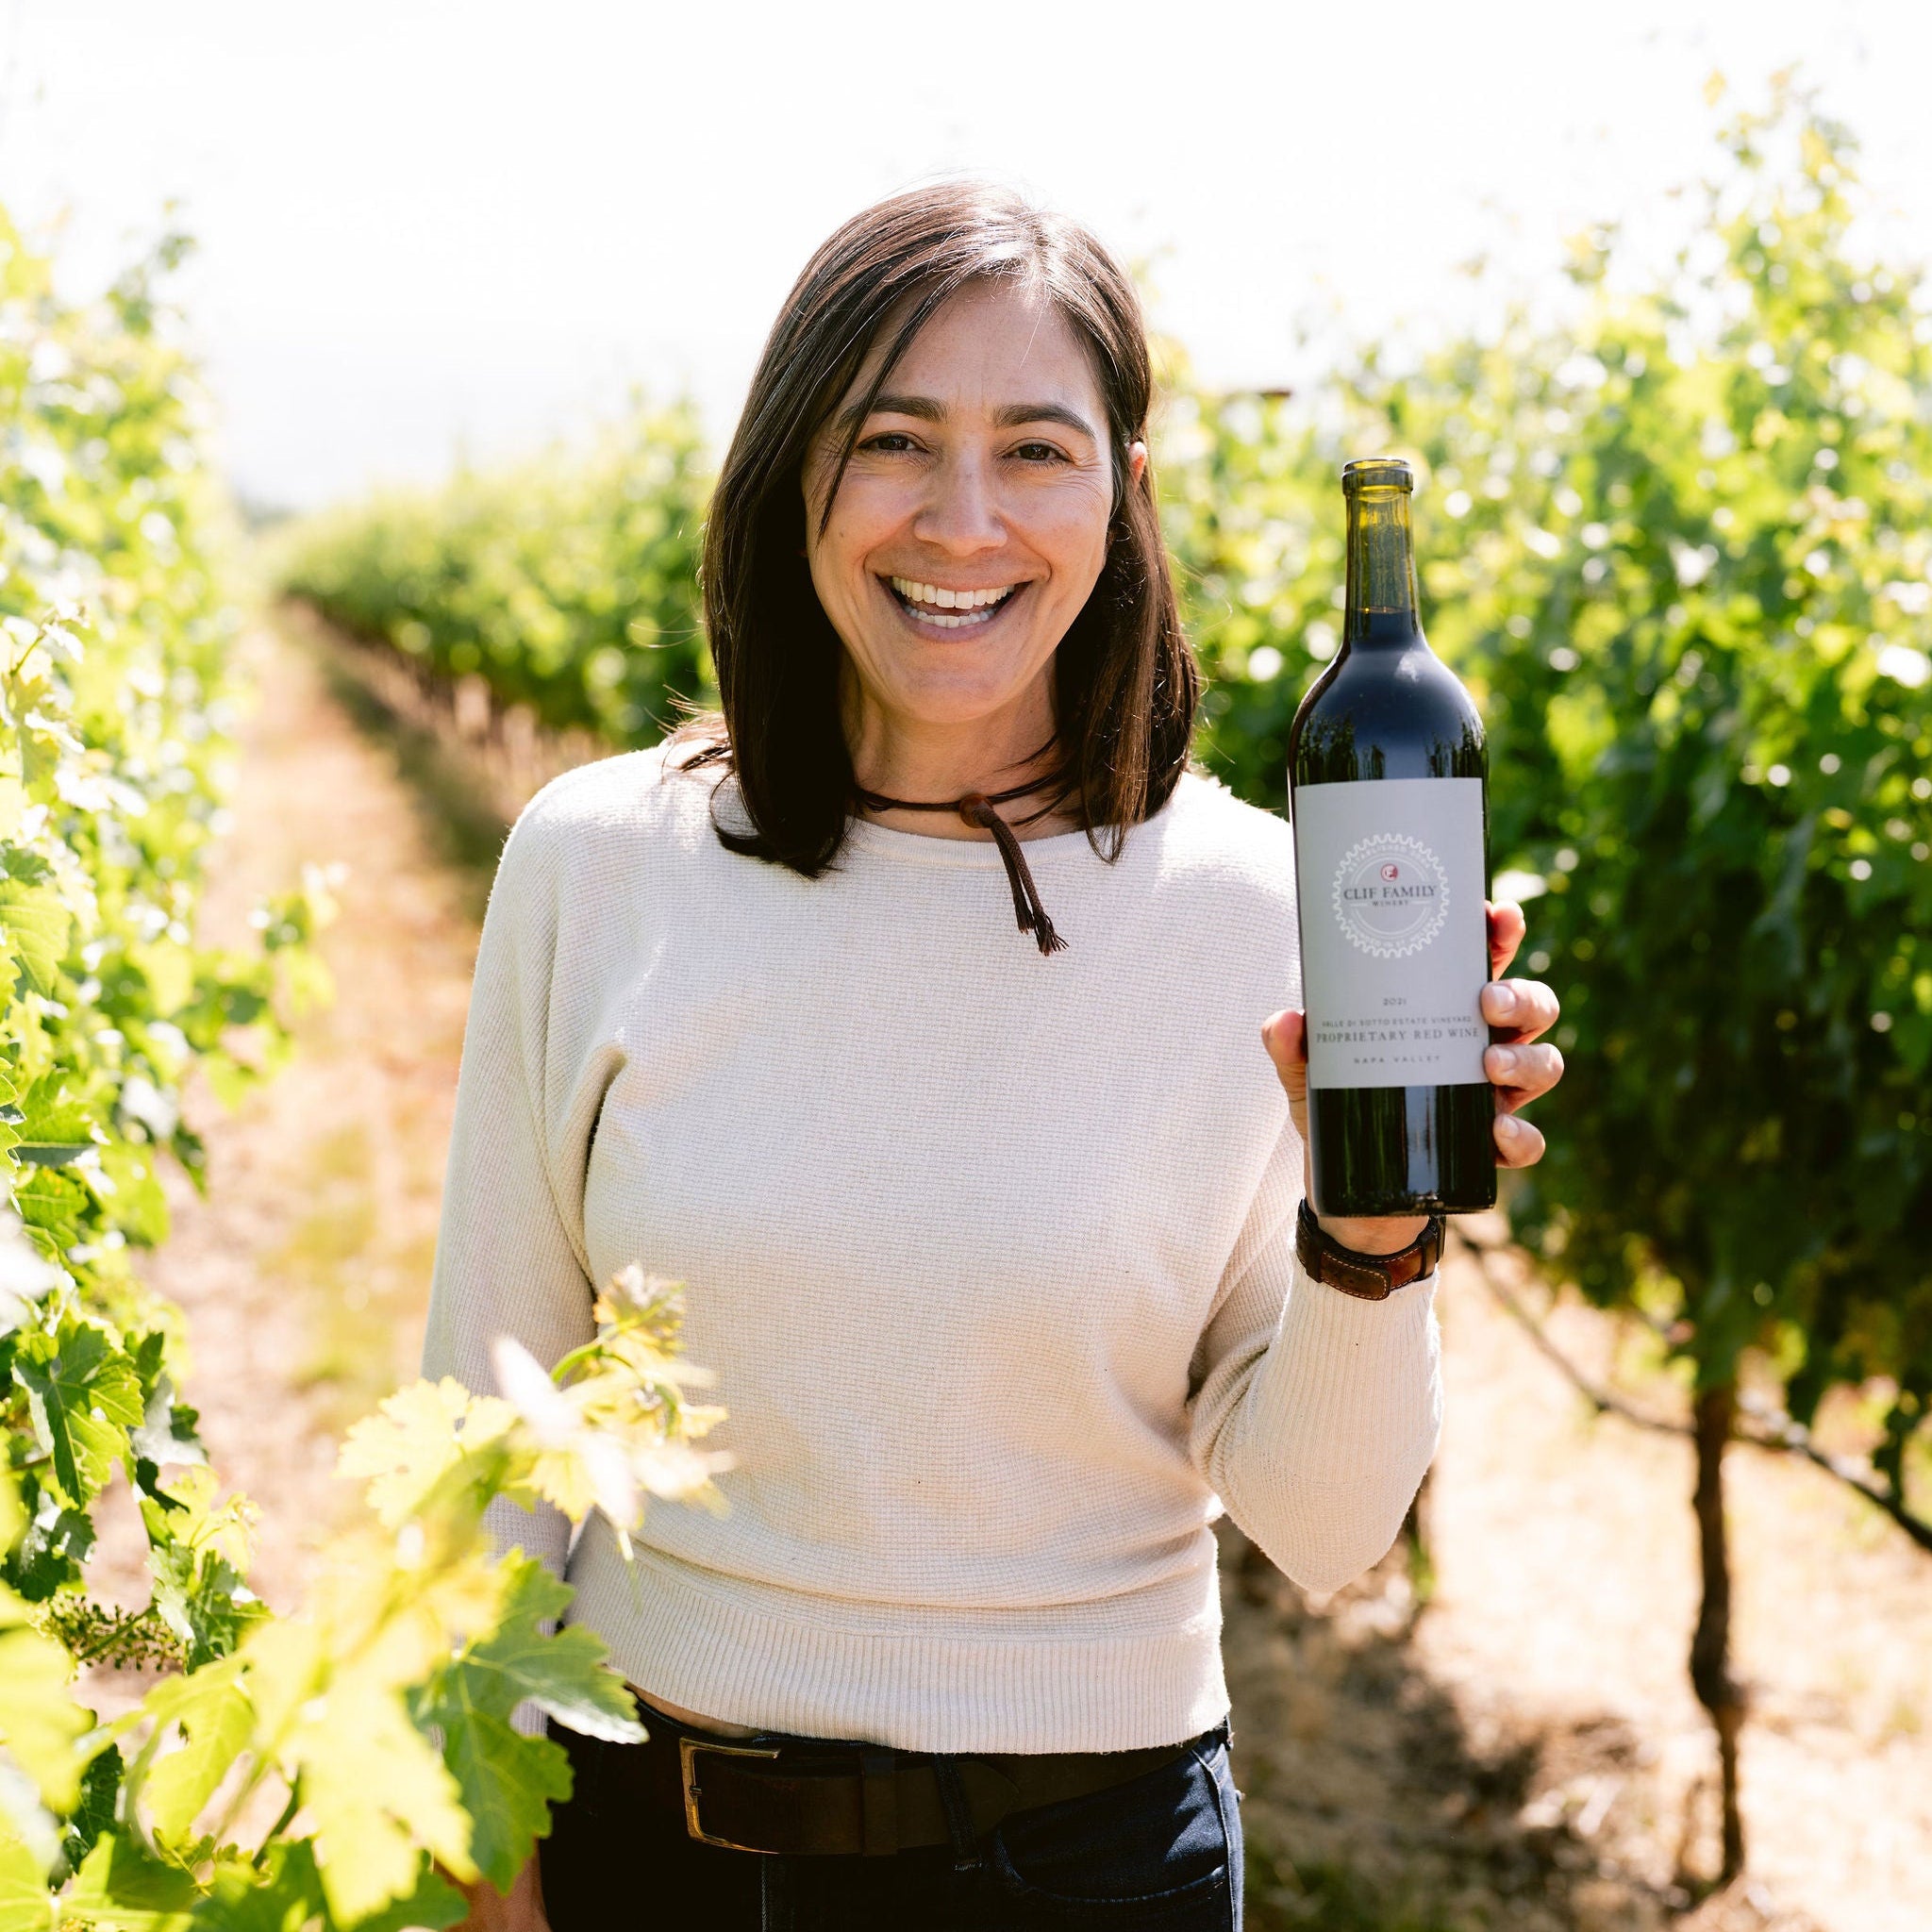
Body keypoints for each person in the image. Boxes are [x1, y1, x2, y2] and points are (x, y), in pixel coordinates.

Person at [427, 182, 1563, 1932]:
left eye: (1037, 450)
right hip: (655, 1850)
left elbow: (1329, 1529)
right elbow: (491, 1407)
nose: (963, 522)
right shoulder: (601, 865)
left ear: (1121, 495)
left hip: (1088, 1876)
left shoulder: (1264, 909)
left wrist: (1372, 1241)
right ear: (793, 476)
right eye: (893, 440)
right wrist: (480, 1856)